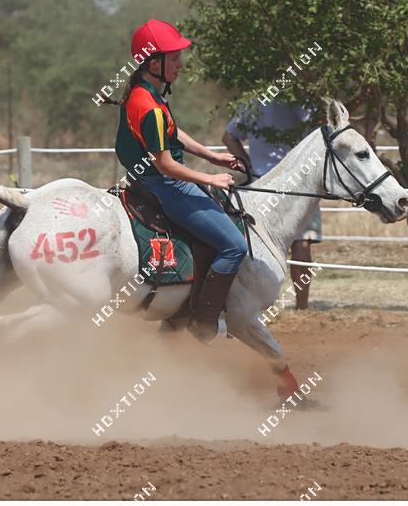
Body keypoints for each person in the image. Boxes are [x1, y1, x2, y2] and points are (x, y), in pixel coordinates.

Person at [108, 18, 246, 343]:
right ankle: (203, 321)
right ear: (154, 62)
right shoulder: (150, 107)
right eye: (174, 58)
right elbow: (166, 165)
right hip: (165, 185)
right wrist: (209, 177)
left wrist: (211, 156)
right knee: (235, 246)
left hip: (146, 180)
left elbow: (172, 132)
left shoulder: (143, 94)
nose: (180, 64)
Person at [223, 100, 321, 309]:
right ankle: (301, 306)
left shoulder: (255, 102)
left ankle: (258, 302)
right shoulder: (307, 100)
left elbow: (229, 136)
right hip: (299, 182)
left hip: (263, 184)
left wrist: (249, 166)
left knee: (258, 244)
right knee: (301, 243)